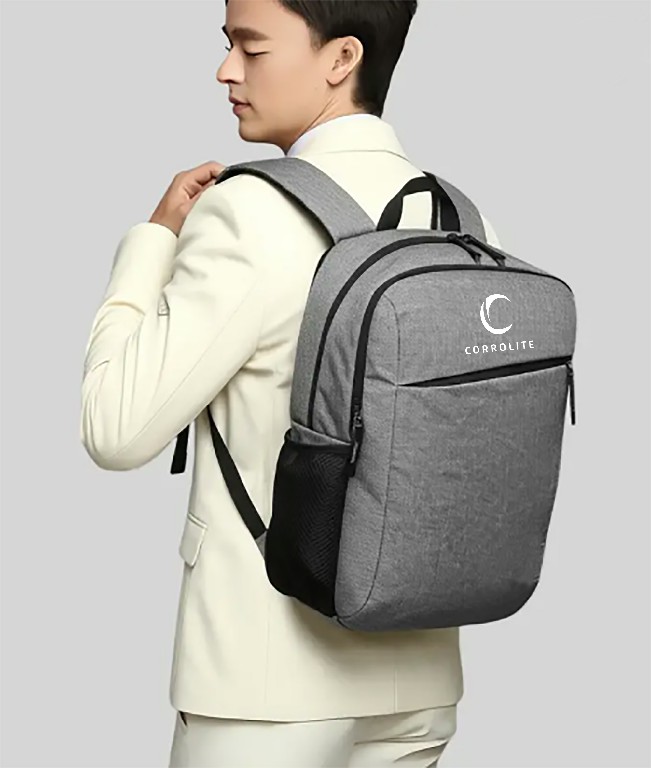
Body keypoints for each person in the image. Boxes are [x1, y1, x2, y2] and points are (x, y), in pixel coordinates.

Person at [79, 0, 501, 765]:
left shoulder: (248, 212)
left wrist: (154, 240)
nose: (225, 70)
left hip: (264, 692)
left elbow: (114, 426)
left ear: (341, 58)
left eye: (251, 47)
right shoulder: (462, 222)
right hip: (419, 678)